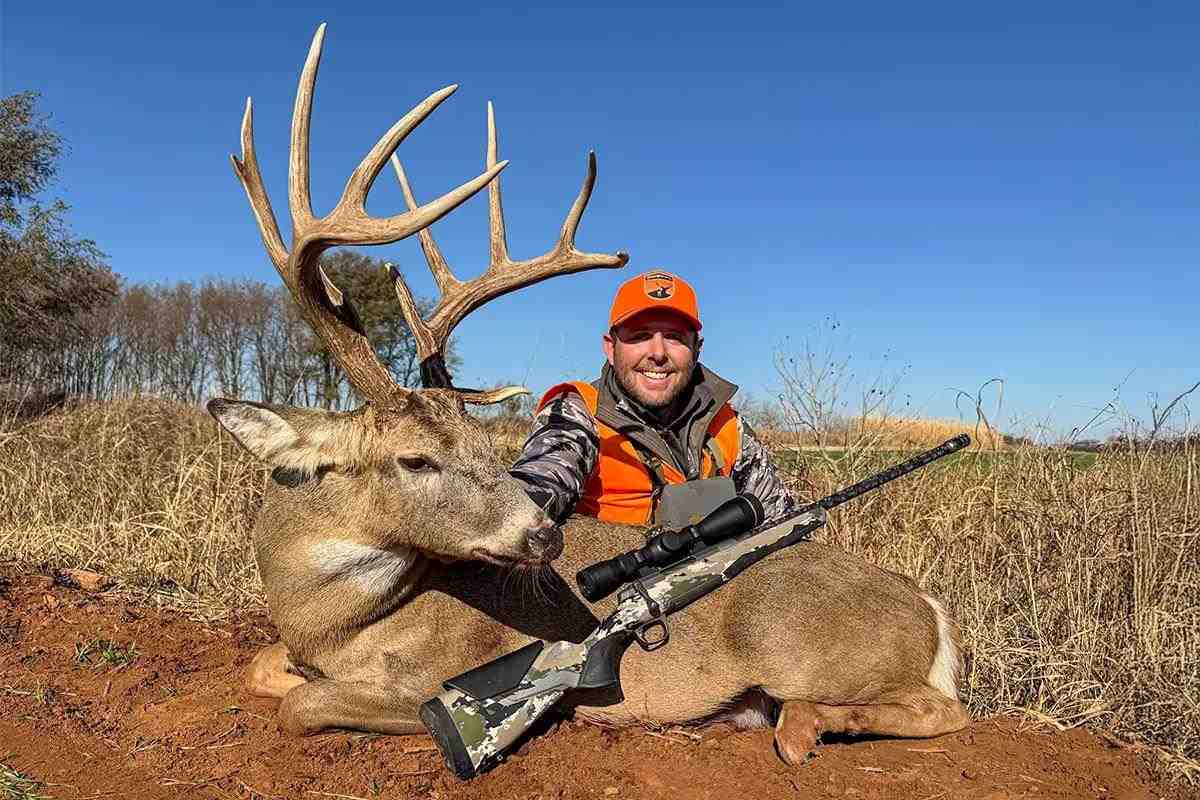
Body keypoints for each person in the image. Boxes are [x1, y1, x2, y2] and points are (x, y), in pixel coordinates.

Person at [510, 270, 798, 530]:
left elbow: (782, 522)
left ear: (696, 349)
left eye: (674, 337)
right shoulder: (576, 414)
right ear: (610, 348)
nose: (658, 353)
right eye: (640, 336)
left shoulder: (727, 425)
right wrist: (523, 505)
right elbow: (538, 486)